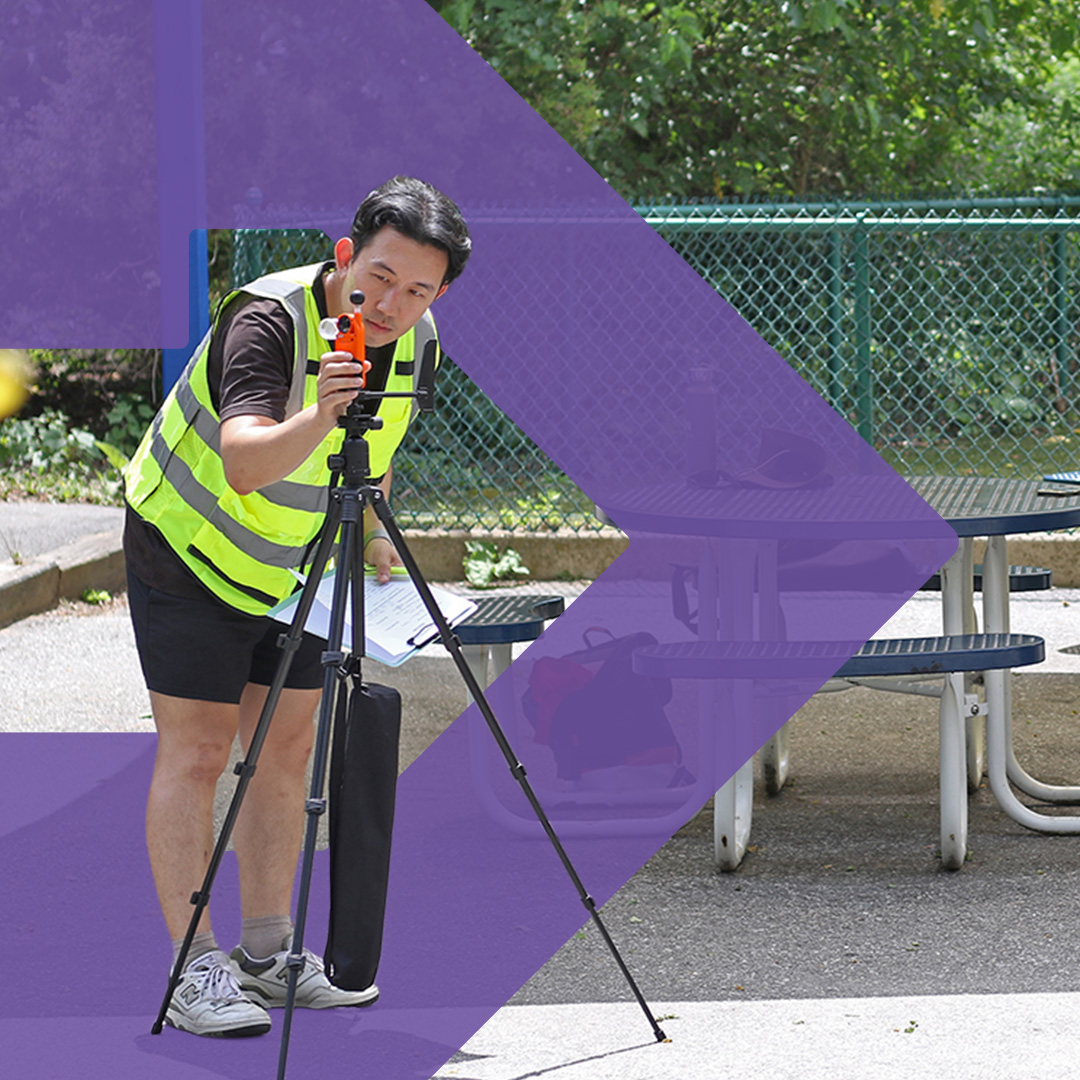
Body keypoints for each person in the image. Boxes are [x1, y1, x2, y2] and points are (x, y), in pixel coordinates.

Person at [122, 176, 471, 1038]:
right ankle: (192, 968)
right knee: (199, 752)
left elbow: (376, 448)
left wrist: (376, 528)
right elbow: (243, 461)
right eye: (380, 278)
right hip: (188, 552)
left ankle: (269, 953)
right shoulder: (268, 321)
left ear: (440, 294)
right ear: (348, 254)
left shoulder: (418, 340)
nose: (392, 304)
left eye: (418, 290)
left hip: (297, 571)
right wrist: (322, 412)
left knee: (285, 749)